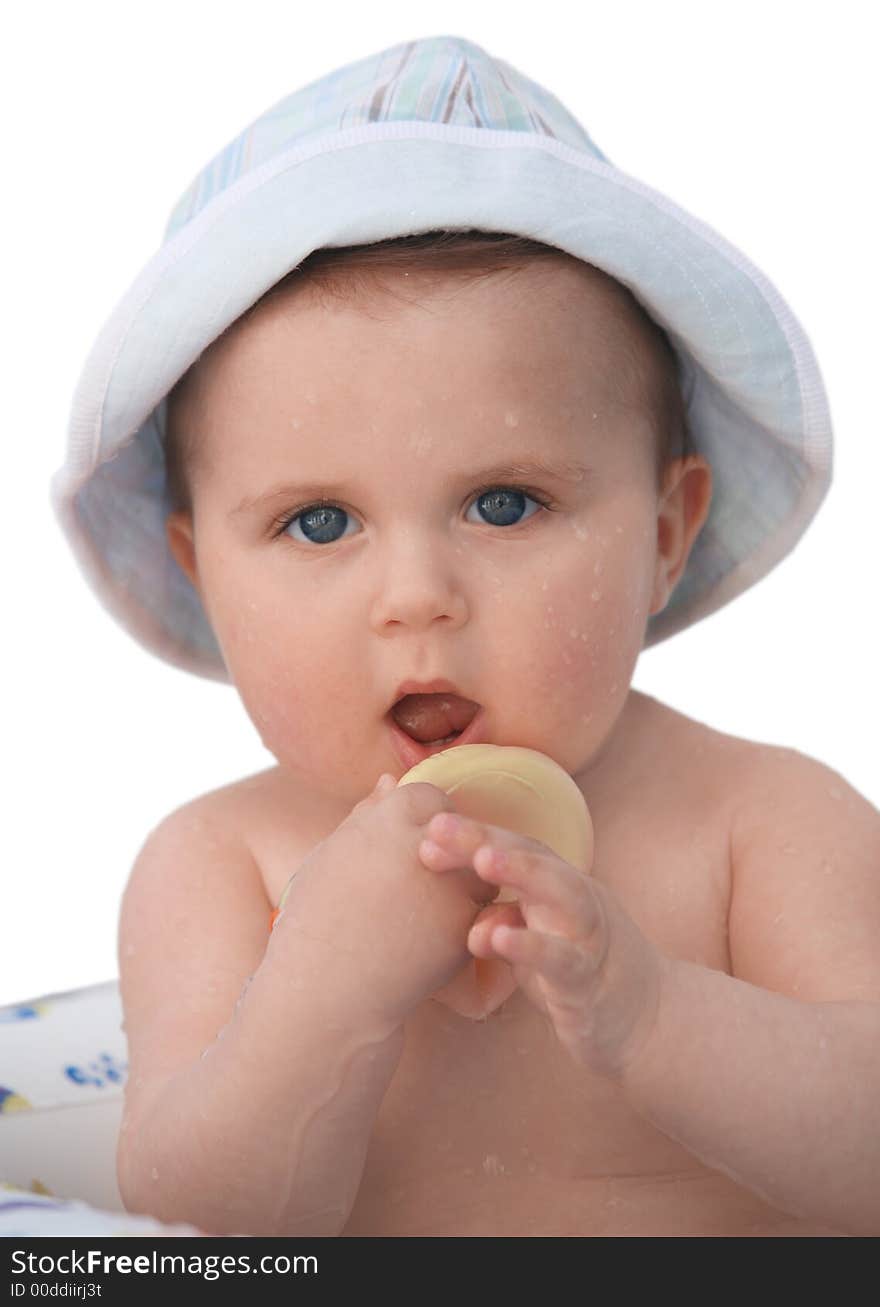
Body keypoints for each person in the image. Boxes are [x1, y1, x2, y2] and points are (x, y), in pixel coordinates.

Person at [51, 35, 880, 1237]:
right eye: (318, 521)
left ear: (663, 530)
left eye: (504, 503)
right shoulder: (219, 868)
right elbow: (202, 1230)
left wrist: (654, 1017)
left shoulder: (763, 824)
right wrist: (322, 990)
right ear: (204, 574)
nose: (417, 595)